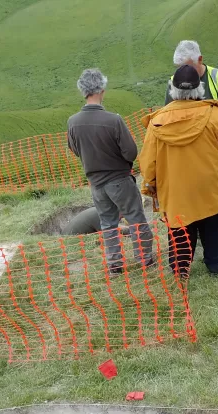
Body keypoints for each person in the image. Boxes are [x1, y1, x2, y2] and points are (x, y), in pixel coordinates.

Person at [139, 64, 218, 277]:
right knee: (214, 225)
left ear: (173, 90)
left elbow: (148, 161)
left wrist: (150, 185)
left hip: (175, 191)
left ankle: (180, 268)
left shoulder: (156, 123)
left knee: (179, 230)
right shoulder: (215, 116)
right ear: (199, 90)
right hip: (211, 187)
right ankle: (215, 264)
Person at [67, 68, 154, 273]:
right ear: (102, 89)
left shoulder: (73, 122)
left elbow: (75, 149)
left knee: (107, 223)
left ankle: (115, 263)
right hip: (119, 179)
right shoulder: (113, 120)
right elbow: (131, 152)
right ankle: (144, 259)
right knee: (135, 218)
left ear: (83, 90)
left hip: (96, 183)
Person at [167, 40, 218, 234]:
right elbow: (169, 112)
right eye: (179, 67)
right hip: (188, 145)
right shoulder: (176, 79)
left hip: (215, 144)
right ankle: (203, 228)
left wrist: (204, 122)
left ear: (200, 59)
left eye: (187, 66)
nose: (182, 70)